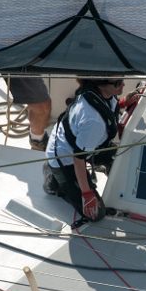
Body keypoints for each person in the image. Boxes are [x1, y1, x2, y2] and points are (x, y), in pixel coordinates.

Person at [44, 78, 124, 222]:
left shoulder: (101, 94)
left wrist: (125, 102)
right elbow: (78, 158)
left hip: (81, 143)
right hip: (65, 158)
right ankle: (54, 180)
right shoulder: (94, 122)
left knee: (123, 160)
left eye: (122, 80)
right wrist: (87, 194)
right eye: (118, 83)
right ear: (102, 85)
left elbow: (110, 109)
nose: (123, 85)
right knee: (95, 213)